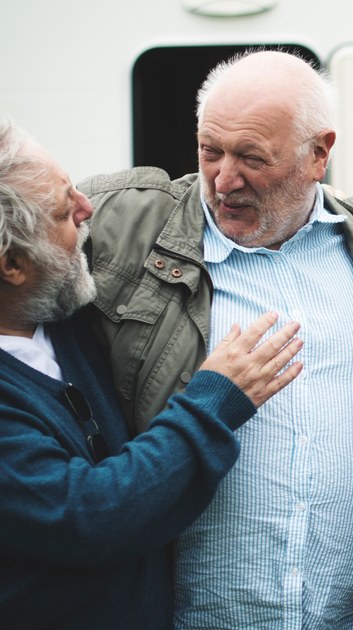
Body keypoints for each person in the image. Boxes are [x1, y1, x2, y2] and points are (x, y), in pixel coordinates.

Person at [79, 50, 353, 627]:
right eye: (210, 151)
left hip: (352, 618)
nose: (224, 180)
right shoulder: (121, 229)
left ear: (319, 153)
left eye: (252, 157)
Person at [0, 118, 304, 628]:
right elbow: (93, 517)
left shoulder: (61, 321)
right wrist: (215, 400)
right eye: (62, 209)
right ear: (11, 264)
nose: (87, 207)